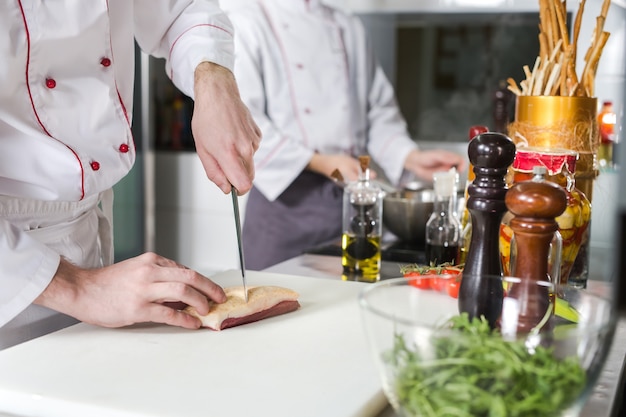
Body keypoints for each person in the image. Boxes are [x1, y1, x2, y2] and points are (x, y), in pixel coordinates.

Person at [0, 2, 261, 349]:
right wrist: (79, 287)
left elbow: (180, 10)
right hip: (13, 270)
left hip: (89, 233)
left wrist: (213, 79)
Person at [225, 0, 467, 270]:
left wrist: (410, 157)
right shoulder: (248, 20)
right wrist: (320, 162)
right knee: (275, 303)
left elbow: (377, 112)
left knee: (341, 303)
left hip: (350, 205)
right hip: (283, 210)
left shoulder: (347, 26)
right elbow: (245, 122)